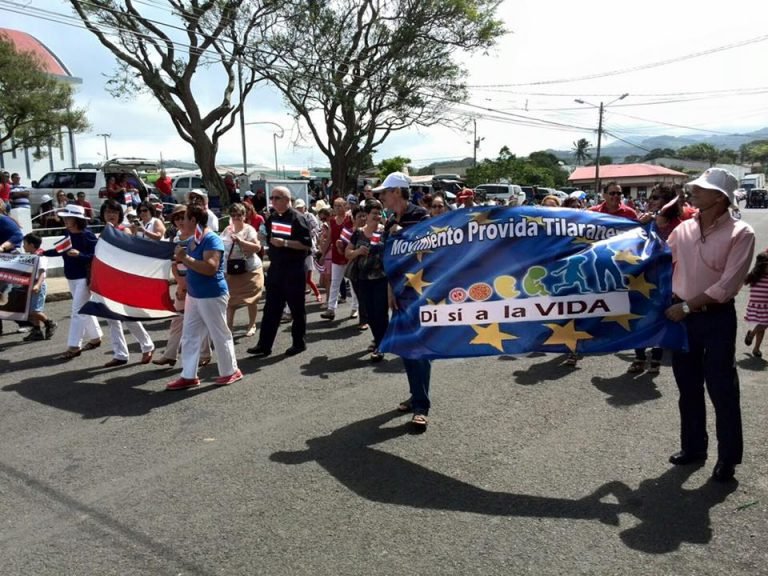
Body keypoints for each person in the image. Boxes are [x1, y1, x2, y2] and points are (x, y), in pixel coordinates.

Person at [664, 168, 755, 483]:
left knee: (722, 390)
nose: (694, 192)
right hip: (682, 318)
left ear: (720, 197)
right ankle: (693, 448)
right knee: (687, 388)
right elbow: (660, 259)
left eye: (702, 189)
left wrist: (687, 306)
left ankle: (727, 459)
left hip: (714, 319)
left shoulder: (741, 233)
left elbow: (727, 287)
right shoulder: (683, 230)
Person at [376, 171, 431, 430]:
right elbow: (390, 261)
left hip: (421, 291)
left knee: (420, 348)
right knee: (407, 348)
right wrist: (390, 290)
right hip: (399, 292)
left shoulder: (421, 216)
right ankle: (415, 395)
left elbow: (431, 248)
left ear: (397, 192)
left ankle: (421, 406)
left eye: (385, 192)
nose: (382, 197)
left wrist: (404, 235)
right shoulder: (390, 222)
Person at [169, 203, 241, 389]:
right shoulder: (196, 238)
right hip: (195, 294)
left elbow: (210, 268)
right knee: (190, 335)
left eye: (184, 218)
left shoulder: (211, 239)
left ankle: (231, 371)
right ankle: (188, 375)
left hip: (211, 294)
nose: (181, 222)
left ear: (193, 220)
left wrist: (185, 258)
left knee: (219, 334)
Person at [247, 186, 312, 358]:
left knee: (297, 309)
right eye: (272, 198)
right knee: (271, 309)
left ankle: (299, 343)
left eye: (276, 198)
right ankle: (264, 345)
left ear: (286, 199)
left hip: (293, 270)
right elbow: (268, 238)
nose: (273, 201)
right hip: (276, 269)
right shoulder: (273, 218)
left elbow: (306, 244)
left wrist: (284, 243)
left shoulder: (298, 218)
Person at [628, 185, 683, 375]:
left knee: (660, 320)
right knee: (639, 319)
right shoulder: (643, 222)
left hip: (668, 283)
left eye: (657, 198)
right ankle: (639, 357)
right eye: (650, 197)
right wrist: (640, 225)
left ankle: (656, 360)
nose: (651, 200)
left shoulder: (681, 226)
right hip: (641, 280)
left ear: (668, 203)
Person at [98, 200, 155, 367]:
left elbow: (127, 252)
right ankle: (120, 354)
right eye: (108, 212)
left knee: (127, 316)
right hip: (108, 280)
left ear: (119, 215)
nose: (111, 215)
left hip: (123, 280)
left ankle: (147, 345)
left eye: (114, 212)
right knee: (112, 319)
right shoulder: (104, 231)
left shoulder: (125, 230)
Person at [153, 205, 211, 367]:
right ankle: (170, 353)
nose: (179, 221)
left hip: (197, 283)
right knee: (178, 320)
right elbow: (173, 263)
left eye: (182, 217)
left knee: (203, 320)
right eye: (176, 218)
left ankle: (204, 353)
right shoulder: (176, 238)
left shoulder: (198, 237)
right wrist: (180, 283)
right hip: (183, 283)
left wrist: (186, 284)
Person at [42, 204, 103, 360]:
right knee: (82, 309)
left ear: (76, 219)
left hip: (84, 278)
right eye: (65, 217)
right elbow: (60, 250)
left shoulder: (87, 235)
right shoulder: (68, 233)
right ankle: (95, 338)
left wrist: (80, 255)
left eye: (68, 217)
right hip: (71, 277)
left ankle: (74, 346)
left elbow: (96, 256)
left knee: (77, 312)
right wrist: (42, 252)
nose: (65, 220)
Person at [345, 199, 387, 361]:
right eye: (374, 213)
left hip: (382, 278)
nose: (377, 216)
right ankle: (378, 338)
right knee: (369, 312)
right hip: (362, 278)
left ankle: (381, 344)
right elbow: (347, 253)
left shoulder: (385, 231)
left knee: (380, 312)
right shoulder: (358, 233)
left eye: (379, 213)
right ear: (367, 215)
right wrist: (358, 252)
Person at [220, 202, 264, 337]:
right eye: (233, 215)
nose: (236, 218)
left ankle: (252, 324)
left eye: (239, 215)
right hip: (231, 270)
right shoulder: (227, 230)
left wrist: (240, 241)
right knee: (230, 301)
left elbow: (257, 248)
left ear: (244, 216)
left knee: (251, 299)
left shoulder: (249, 229)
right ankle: (229, 328)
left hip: (249, 269)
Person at [320, 196, 356, 320]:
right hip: (336, 254)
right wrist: (323, 254)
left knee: (352, 282)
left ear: (345, 206)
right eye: (335, 205)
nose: (337, 208)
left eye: (340, 205)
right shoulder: (332, 220)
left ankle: (355, 308)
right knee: (335, 282)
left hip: (348, 254)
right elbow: (329, 238)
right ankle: (331, 309)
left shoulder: (350, 218)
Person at [21, 234, 57, 341]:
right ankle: (37, 331)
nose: (23, 246)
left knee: (35, 310)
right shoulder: (31, 256)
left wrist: (38, 285)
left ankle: (50, 323)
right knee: (30, 311)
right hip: (30, 284)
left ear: (31, 245)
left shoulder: (40, 256)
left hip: (38, 285)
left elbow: (42, 273)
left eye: (25, 244)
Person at [743, 252, 768, 358]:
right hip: (757, 306)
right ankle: (752, 334)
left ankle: (756, 348)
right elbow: (742, 280)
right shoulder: (754, 276)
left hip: (765, 307)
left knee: (762, 329)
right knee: (764, 324)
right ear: (762, 266)